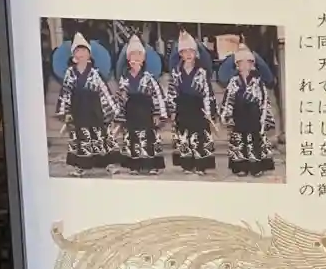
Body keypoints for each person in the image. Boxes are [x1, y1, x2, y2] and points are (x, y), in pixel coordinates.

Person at [55, 32, 118, 174]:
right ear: (73, 55)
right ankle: (81, 167)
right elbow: (65, 92)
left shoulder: (95, 73)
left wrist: (112, 111)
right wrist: (65, 111)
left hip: (94, 109)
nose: (81, 54)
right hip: (78, 109)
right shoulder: (70, 73)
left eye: (84, 51)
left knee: (100, 135)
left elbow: (104, 91)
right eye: (78, 51)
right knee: (80, 137)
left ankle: (107, 165)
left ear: (89, 54)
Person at [116, 33, 166, 174]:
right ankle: (135, 166)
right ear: (128, 58)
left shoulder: (149, 78)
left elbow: (158, 96)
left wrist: (158, 114)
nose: (136, 58)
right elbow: (121, 98)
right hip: (131, 112)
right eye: (133, 55)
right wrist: (120, 114)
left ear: (143, 58)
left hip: (146, 111)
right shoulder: (124, 78)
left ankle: (151, 166)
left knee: (148, 138)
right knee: (132, 138)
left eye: (139, 54)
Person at [222, 46, 275, 176]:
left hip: (254, 115)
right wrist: (227, 115)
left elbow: (264, 100)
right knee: (239, 141)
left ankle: (256, 167)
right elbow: (228, 98)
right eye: (241, 62)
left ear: (252, 65)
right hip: (239, 114)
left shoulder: (258, 81)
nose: (245, 65)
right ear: (237, 65)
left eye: (248, 62)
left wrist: (266, 117)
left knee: (255, 140)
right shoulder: (233, 81)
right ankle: (241, 167)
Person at [169, 30, 216, 174]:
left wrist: (209, 112)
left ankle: (201, 165)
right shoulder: (176, 72)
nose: (188, 54)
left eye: (191, 51)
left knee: (199, 136)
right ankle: (187, 165)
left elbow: (207, 92)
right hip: (182, 107)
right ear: (180, 54)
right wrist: (172, 110)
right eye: (185, 51)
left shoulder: (202, 72)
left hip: (197, 107)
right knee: (184, 137)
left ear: (196, 53)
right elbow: (172, 91)